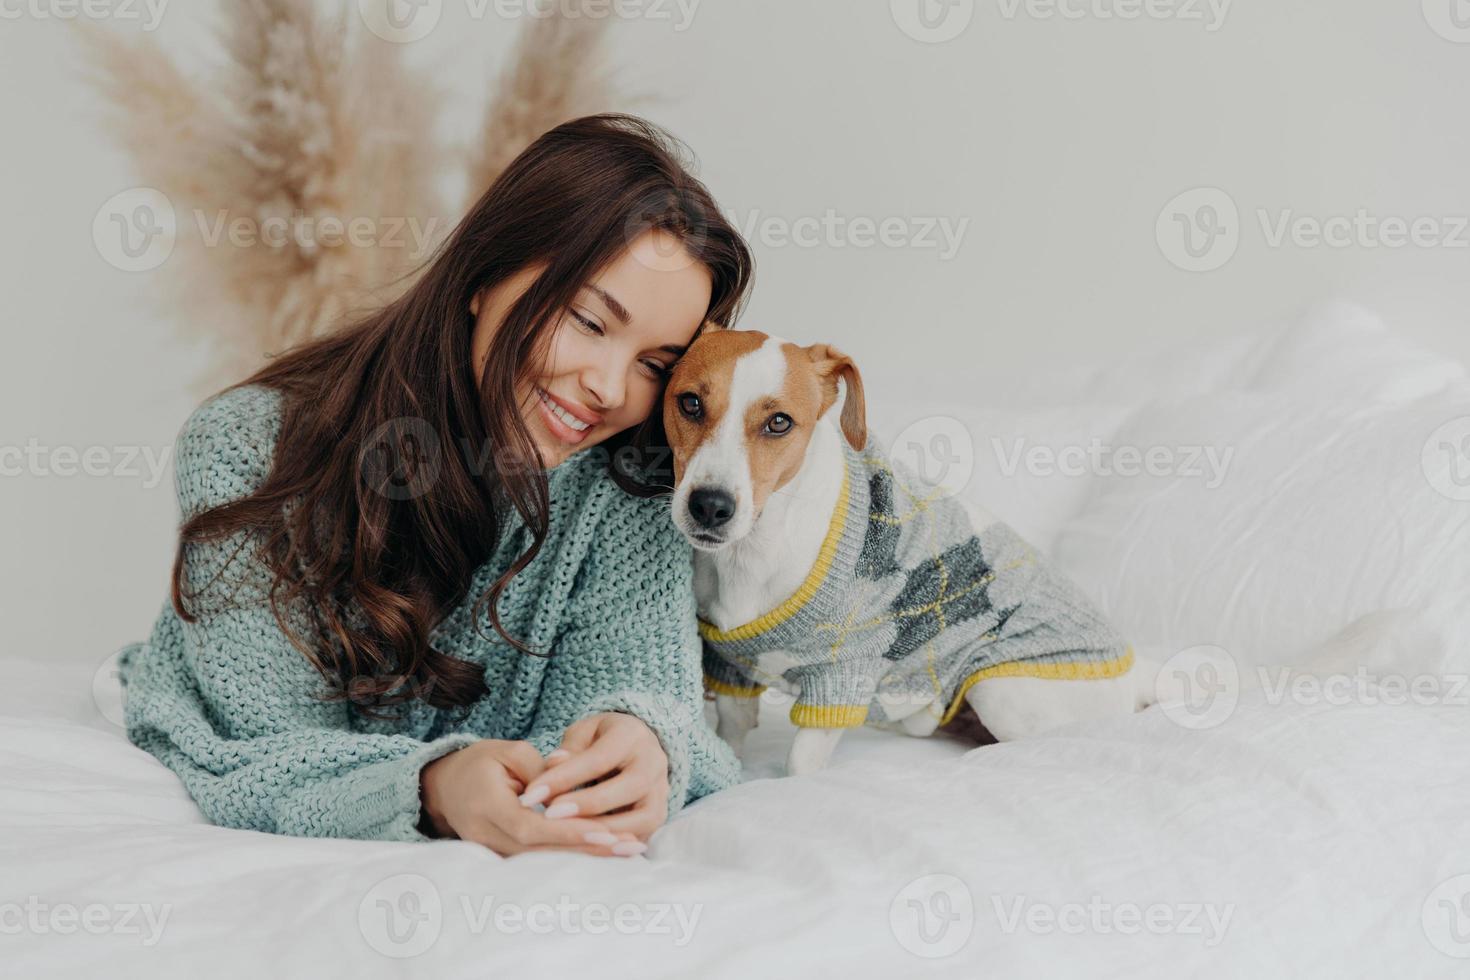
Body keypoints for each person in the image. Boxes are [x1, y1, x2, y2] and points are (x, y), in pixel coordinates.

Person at [115, 113, 755, 858]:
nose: (609, 388)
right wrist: (433, 786)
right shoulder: (247, 448)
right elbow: (269, 743)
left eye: (655, 364)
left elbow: (648, 696)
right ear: (486, 273)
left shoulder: (633, 481)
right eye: (587, 320)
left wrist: (645, 742)